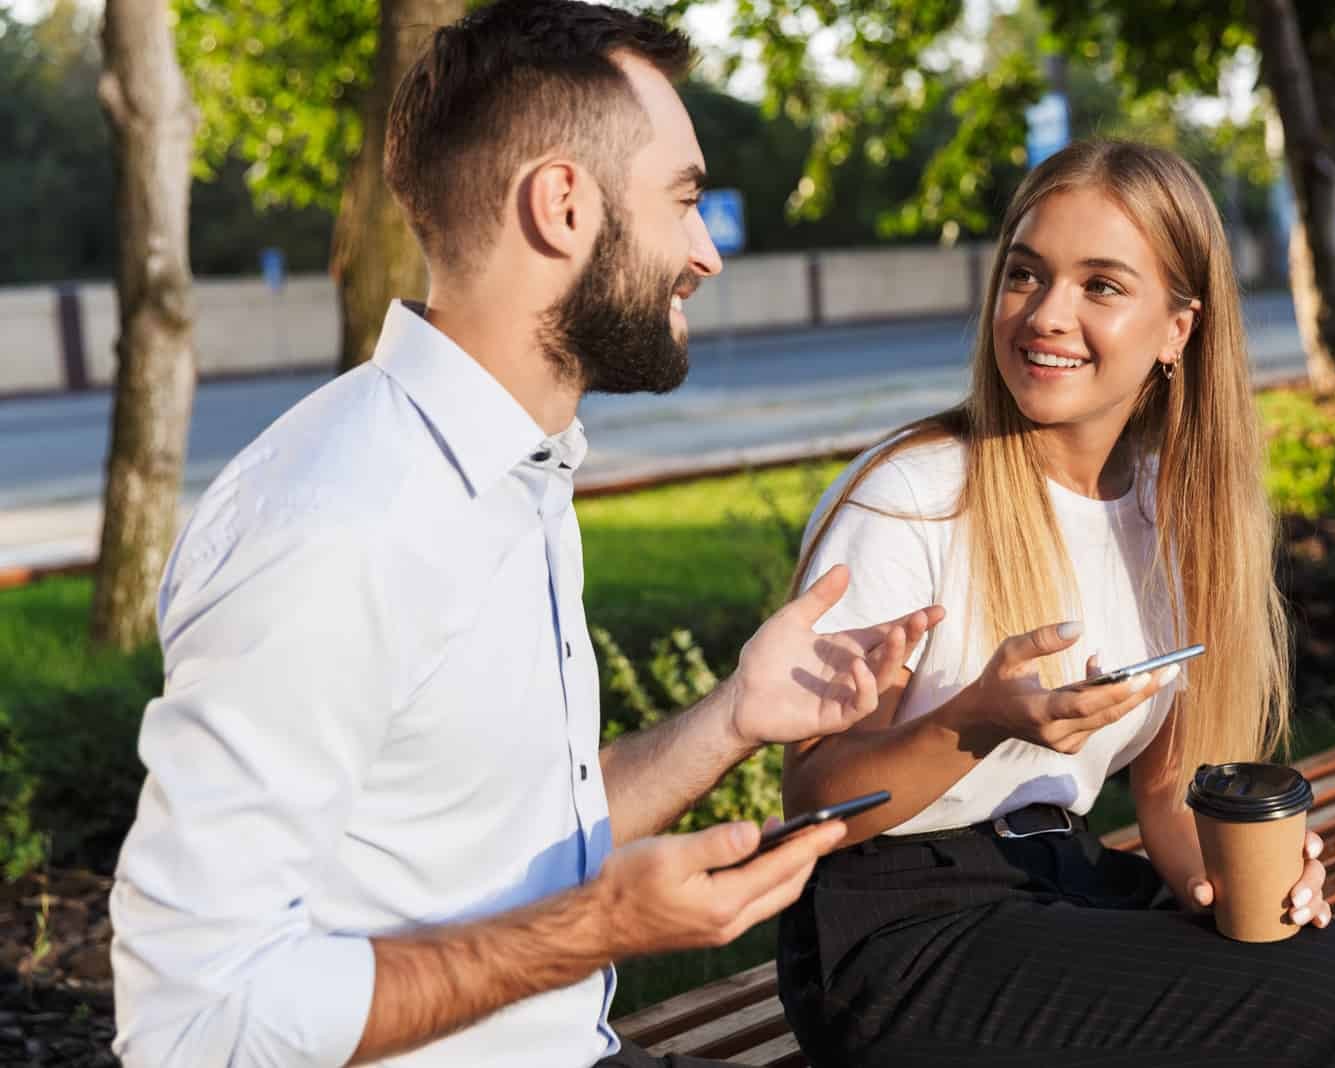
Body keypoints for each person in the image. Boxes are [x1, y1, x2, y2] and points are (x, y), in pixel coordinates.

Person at [108, 3, 941, 1066]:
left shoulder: (512, 470)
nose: (704, 252)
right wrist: (597, 929)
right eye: (682, 200)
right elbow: (192, 1026)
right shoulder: (338, 524)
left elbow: (489, 829)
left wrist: (736, 717)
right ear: (561, 204)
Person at [775, 139, 1335, 1067]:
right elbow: (815, 806)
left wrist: (1238, 887)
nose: (1046, 315)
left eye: (1101, 285)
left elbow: (1170, 788)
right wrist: (973, 723)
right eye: (1026, 274)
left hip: (1060, 886)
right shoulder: (910, 494)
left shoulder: (1173, 518)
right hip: (898, 936)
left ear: (1179, 329)